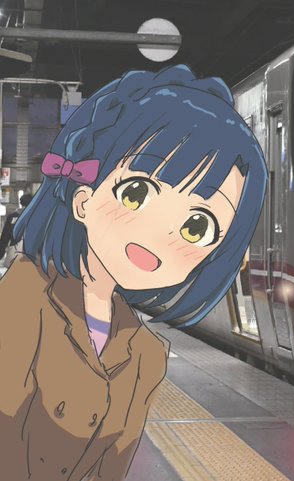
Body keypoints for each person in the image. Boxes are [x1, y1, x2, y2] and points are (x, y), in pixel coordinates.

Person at [0, 64, 267, 481]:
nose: (160, 235)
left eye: (196, 227)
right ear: (83, 200)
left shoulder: (147, 357)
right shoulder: (20, 300)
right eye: (136, 193)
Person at [0, 193, 33, 268]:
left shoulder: (12, 217)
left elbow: (4, 238)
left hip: (14, 255)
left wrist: (1, 253)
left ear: (21, 203)